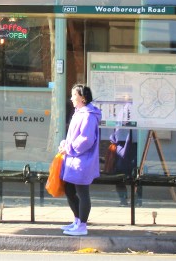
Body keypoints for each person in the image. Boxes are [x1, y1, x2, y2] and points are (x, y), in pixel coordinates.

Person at [58, 83, 102, 236]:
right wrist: (65, 144)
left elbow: (86, 139)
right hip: (74, 160)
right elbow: (75, 137)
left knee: (82, 192)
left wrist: (69, 148)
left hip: (82, 161)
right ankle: (77, 221)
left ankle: (82, 225)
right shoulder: (79, 113)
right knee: (70, 190)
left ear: (83, 98)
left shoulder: (88, 116)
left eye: (74, 95)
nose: (71, 98)